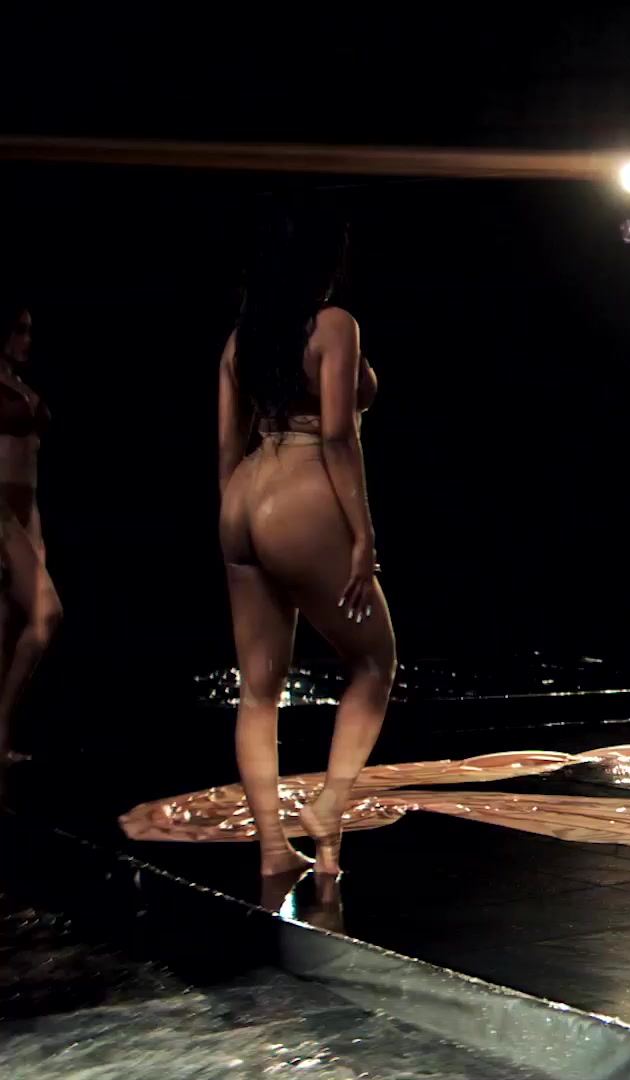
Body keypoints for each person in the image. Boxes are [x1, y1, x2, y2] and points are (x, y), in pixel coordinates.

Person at [217, 204, 395, 877]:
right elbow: (338, 437)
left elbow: (226, 446)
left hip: (243, 496)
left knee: (258, 688)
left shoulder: (241, 340)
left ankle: (272, 851)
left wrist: (236, 524)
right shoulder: (334, 325)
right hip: (302, 489)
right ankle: (328, 807)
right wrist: (362, 536)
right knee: (375, 663)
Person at [0, 296, 60, 776]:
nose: (27, 340)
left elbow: (31, 474)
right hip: (0, 513)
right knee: (46, 614)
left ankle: (1, 740)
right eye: (19, 330)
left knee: (6, 629)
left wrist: (36, 535)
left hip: (24, 513)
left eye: (29, 331)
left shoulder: (19, 384)